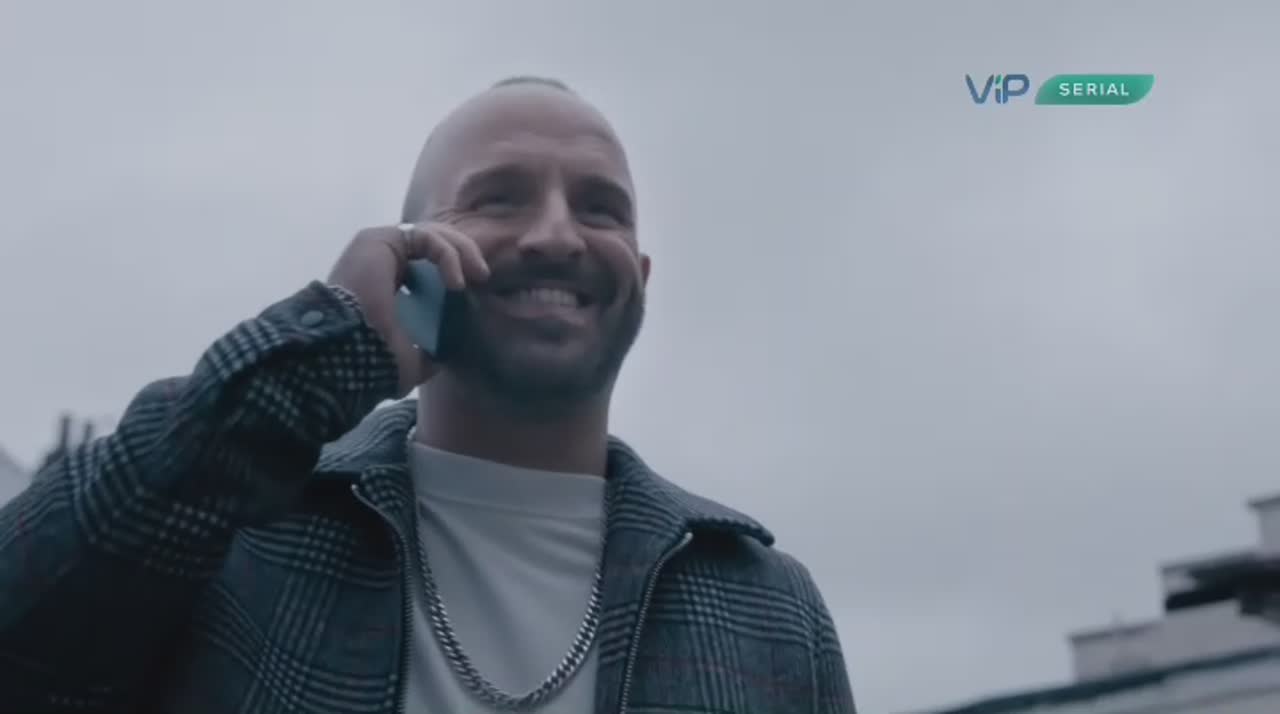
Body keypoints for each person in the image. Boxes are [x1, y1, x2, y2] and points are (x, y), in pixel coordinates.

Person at [0, 76, 857, 714]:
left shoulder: (770, 607)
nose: (556, 234)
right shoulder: (237, 529)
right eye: (498, 198)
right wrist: (316, 352)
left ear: (640, 275)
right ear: (409, 259)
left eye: (601, 208)